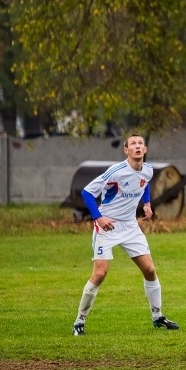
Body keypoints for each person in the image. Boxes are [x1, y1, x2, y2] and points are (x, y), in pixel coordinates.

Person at [71, 133, 179, 335]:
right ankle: (79, 321)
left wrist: (146, 204)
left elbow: (144, 184)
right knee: (100, 273)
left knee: (149, 270)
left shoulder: (147, 170)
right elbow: (87, 192)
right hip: (107, 226)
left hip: (130, 227)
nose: (137, 146)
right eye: (133, 144)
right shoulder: (116, 171)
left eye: (140, 144)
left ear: (145, 150)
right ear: (126, 150)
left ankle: (157, 316)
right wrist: (98, 218)